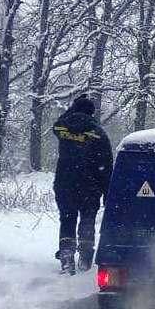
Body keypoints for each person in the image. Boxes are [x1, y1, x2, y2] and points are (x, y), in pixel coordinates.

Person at [52, 95, 113, 274]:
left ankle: (66, 257)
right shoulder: (97, 133)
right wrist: (107, 192)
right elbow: (106, 164)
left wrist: (72, 109)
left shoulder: (63, 128)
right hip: (90, 185)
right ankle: (85, 259)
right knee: (87, 220)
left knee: (67, 219)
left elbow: (58, 124)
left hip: (65, 182)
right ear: (91, 112)